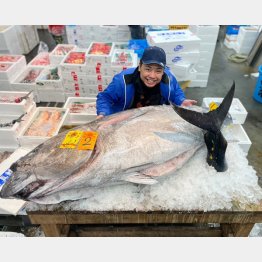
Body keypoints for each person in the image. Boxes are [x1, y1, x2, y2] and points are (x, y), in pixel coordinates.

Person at [96, 46, 197, 119]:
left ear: (163, 70)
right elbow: (105, 97)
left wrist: (181, 101)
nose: (152, 76)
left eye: (158, 71)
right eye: (148, 69)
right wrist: (103, 113)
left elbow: (176, 92)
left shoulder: (168, 78)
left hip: (152, 120)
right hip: (124, 120)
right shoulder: (122, 81)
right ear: (140, 66)